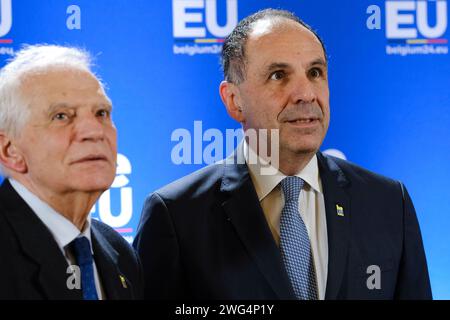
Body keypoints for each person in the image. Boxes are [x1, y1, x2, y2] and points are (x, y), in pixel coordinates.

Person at [134, 9, 432, 299]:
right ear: (234, 100)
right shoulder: (176, 216)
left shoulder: (389, 203)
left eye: (315, 72)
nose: (306, 93)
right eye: (279, 75)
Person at [0, 45, 143, 299]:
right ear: (10, 150)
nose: (94, 131)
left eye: (101, 113)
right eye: (61, 116)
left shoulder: (119, 252)